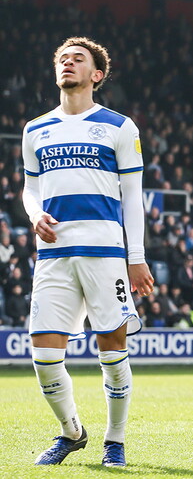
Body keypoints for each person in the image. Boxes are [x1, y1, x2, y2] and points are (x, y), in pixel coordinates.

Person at [22, 37, 154, 467]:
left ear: (96, 74)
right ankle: (71, 431)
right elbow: (31, 188)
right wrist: (33, 214)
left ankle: (114, 440)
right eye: (62, 58)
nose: (68, 62)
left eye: (78, 59)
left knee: (112, 349)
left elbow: (133, 197)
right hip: (54, 254)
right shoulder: (35, 129)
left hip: (105, 254)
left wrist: (136, 257)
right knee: (43, 354)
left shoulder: (119, 126)